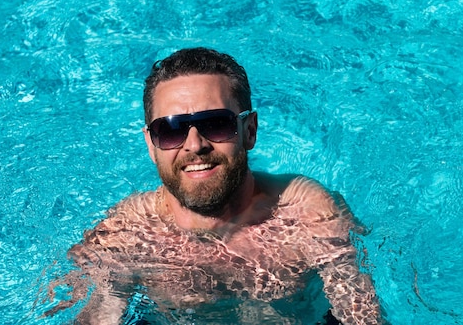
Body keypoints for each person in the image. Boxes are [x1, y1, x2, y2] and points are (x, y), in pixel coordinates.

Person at [46, 47, 385, 324]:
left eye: (216, 124)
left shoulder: (304, 213)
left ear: (249, 131)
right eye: (172, 130)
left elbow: (361, 314)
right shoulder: (128, 235)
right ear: (151, 145)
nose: (194, 145)